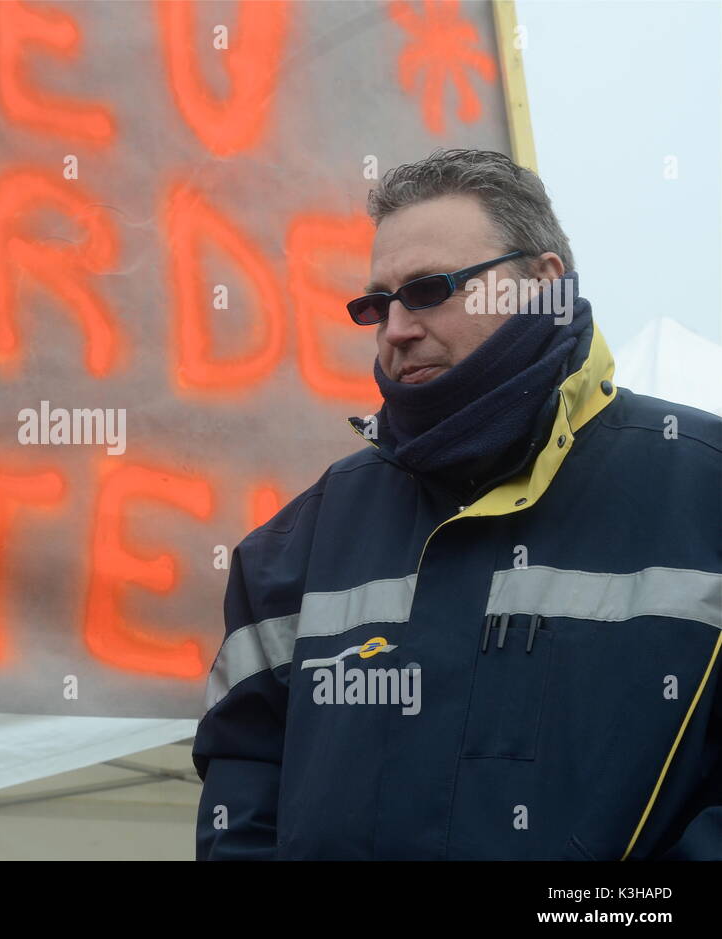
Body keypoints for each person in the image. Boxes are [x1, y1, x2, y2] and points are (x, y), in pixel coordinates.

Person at [193, 148, 722, 860]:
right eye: (376, 305)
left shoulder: (703, 491)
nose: (395, 329)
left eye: (431, 289)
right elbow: (242, 789)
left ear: (545, 286)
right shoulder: (293, 550)